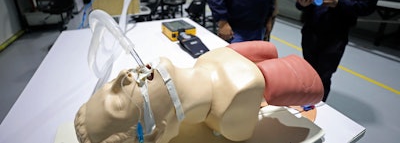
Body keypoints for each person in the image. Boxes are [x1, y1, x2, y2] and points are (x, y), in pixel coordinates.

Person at [74, 41, 323, 143]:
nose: (122, 77)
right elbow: (311, 82)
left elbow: (270, 49)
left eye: (110, 85)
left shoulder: (206, 60)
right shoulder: (240, 94)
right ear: (156, 131)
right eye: (118, 102)